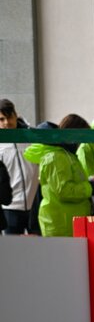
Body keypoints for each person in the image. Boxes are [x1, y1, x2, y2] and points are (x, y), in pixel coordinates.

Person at [22, 115, 94, 236]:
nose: (81, 143)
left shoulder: (64, 155)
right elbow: (64, 190)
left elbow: (65, 184)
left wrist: (89, 182)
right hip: (61, 224)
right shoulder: (56, 156)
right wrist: (92, 187)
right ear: (73, 135)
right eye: (81, 137)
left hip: (65, 221)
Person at [0, 99, 39, 234]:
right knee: (12, 251)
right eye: (1, 119)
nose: (6, 123)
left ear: (16, 115)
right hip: (9, 208)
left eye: (9, 117)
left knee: (38, 250)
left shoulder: (30, 138)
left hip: (33, 205)